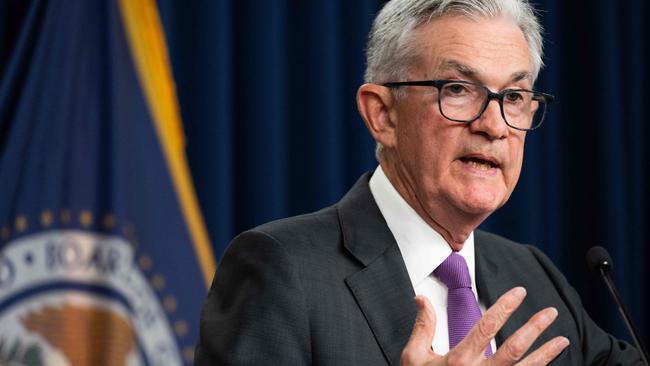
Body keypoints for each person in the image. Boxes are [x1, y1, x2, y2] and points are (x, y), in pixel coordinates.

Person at [195, 0, 642, 365]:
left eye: (514, 97)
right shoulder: (281, 270)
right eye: (458, 89)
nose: (494, 125)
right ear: (382, 114)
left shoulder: (533, 275)